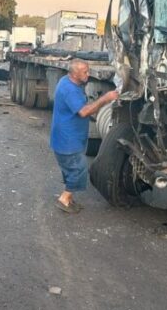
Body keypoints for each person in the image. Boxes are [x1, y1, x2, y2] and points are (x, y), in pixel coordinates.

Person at [50, 59, 119, 214]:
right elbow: (84, 112)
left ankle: (69, 200)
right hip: (68, 139)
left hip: (67, 137)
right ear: (74, 74)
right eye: (85, 72)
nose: (88, 74)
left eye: (88, 71)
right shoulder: (70, 90)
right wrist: (106, 98)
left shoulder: (67, 81)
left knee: (70, 168)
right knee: (78, 169)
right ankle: (64, 199)